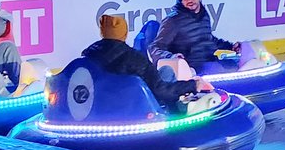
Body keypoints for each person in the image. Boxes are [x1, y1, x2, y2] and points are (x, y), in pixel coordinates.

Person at [82, 14, 212, 111]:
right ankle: (176, 112)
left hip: (101, 106)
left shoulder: (88, 56)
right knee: (167, 72)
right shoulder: (135, 59)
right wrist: (192, 85)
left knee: (165, 70)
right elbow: (161, 90)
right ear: (125, 34)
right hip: (134, 108)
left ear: (102, 32)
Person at [149, 0, 237, 67]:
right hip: (191, 67)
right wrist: (172, 57)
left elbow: (208, 39)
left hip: (210, 60)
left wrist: (231, 46)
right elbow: (156, 47)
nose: (189, 0)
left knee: (235, 65)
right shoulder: (173, 19)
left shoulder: (204, 15)